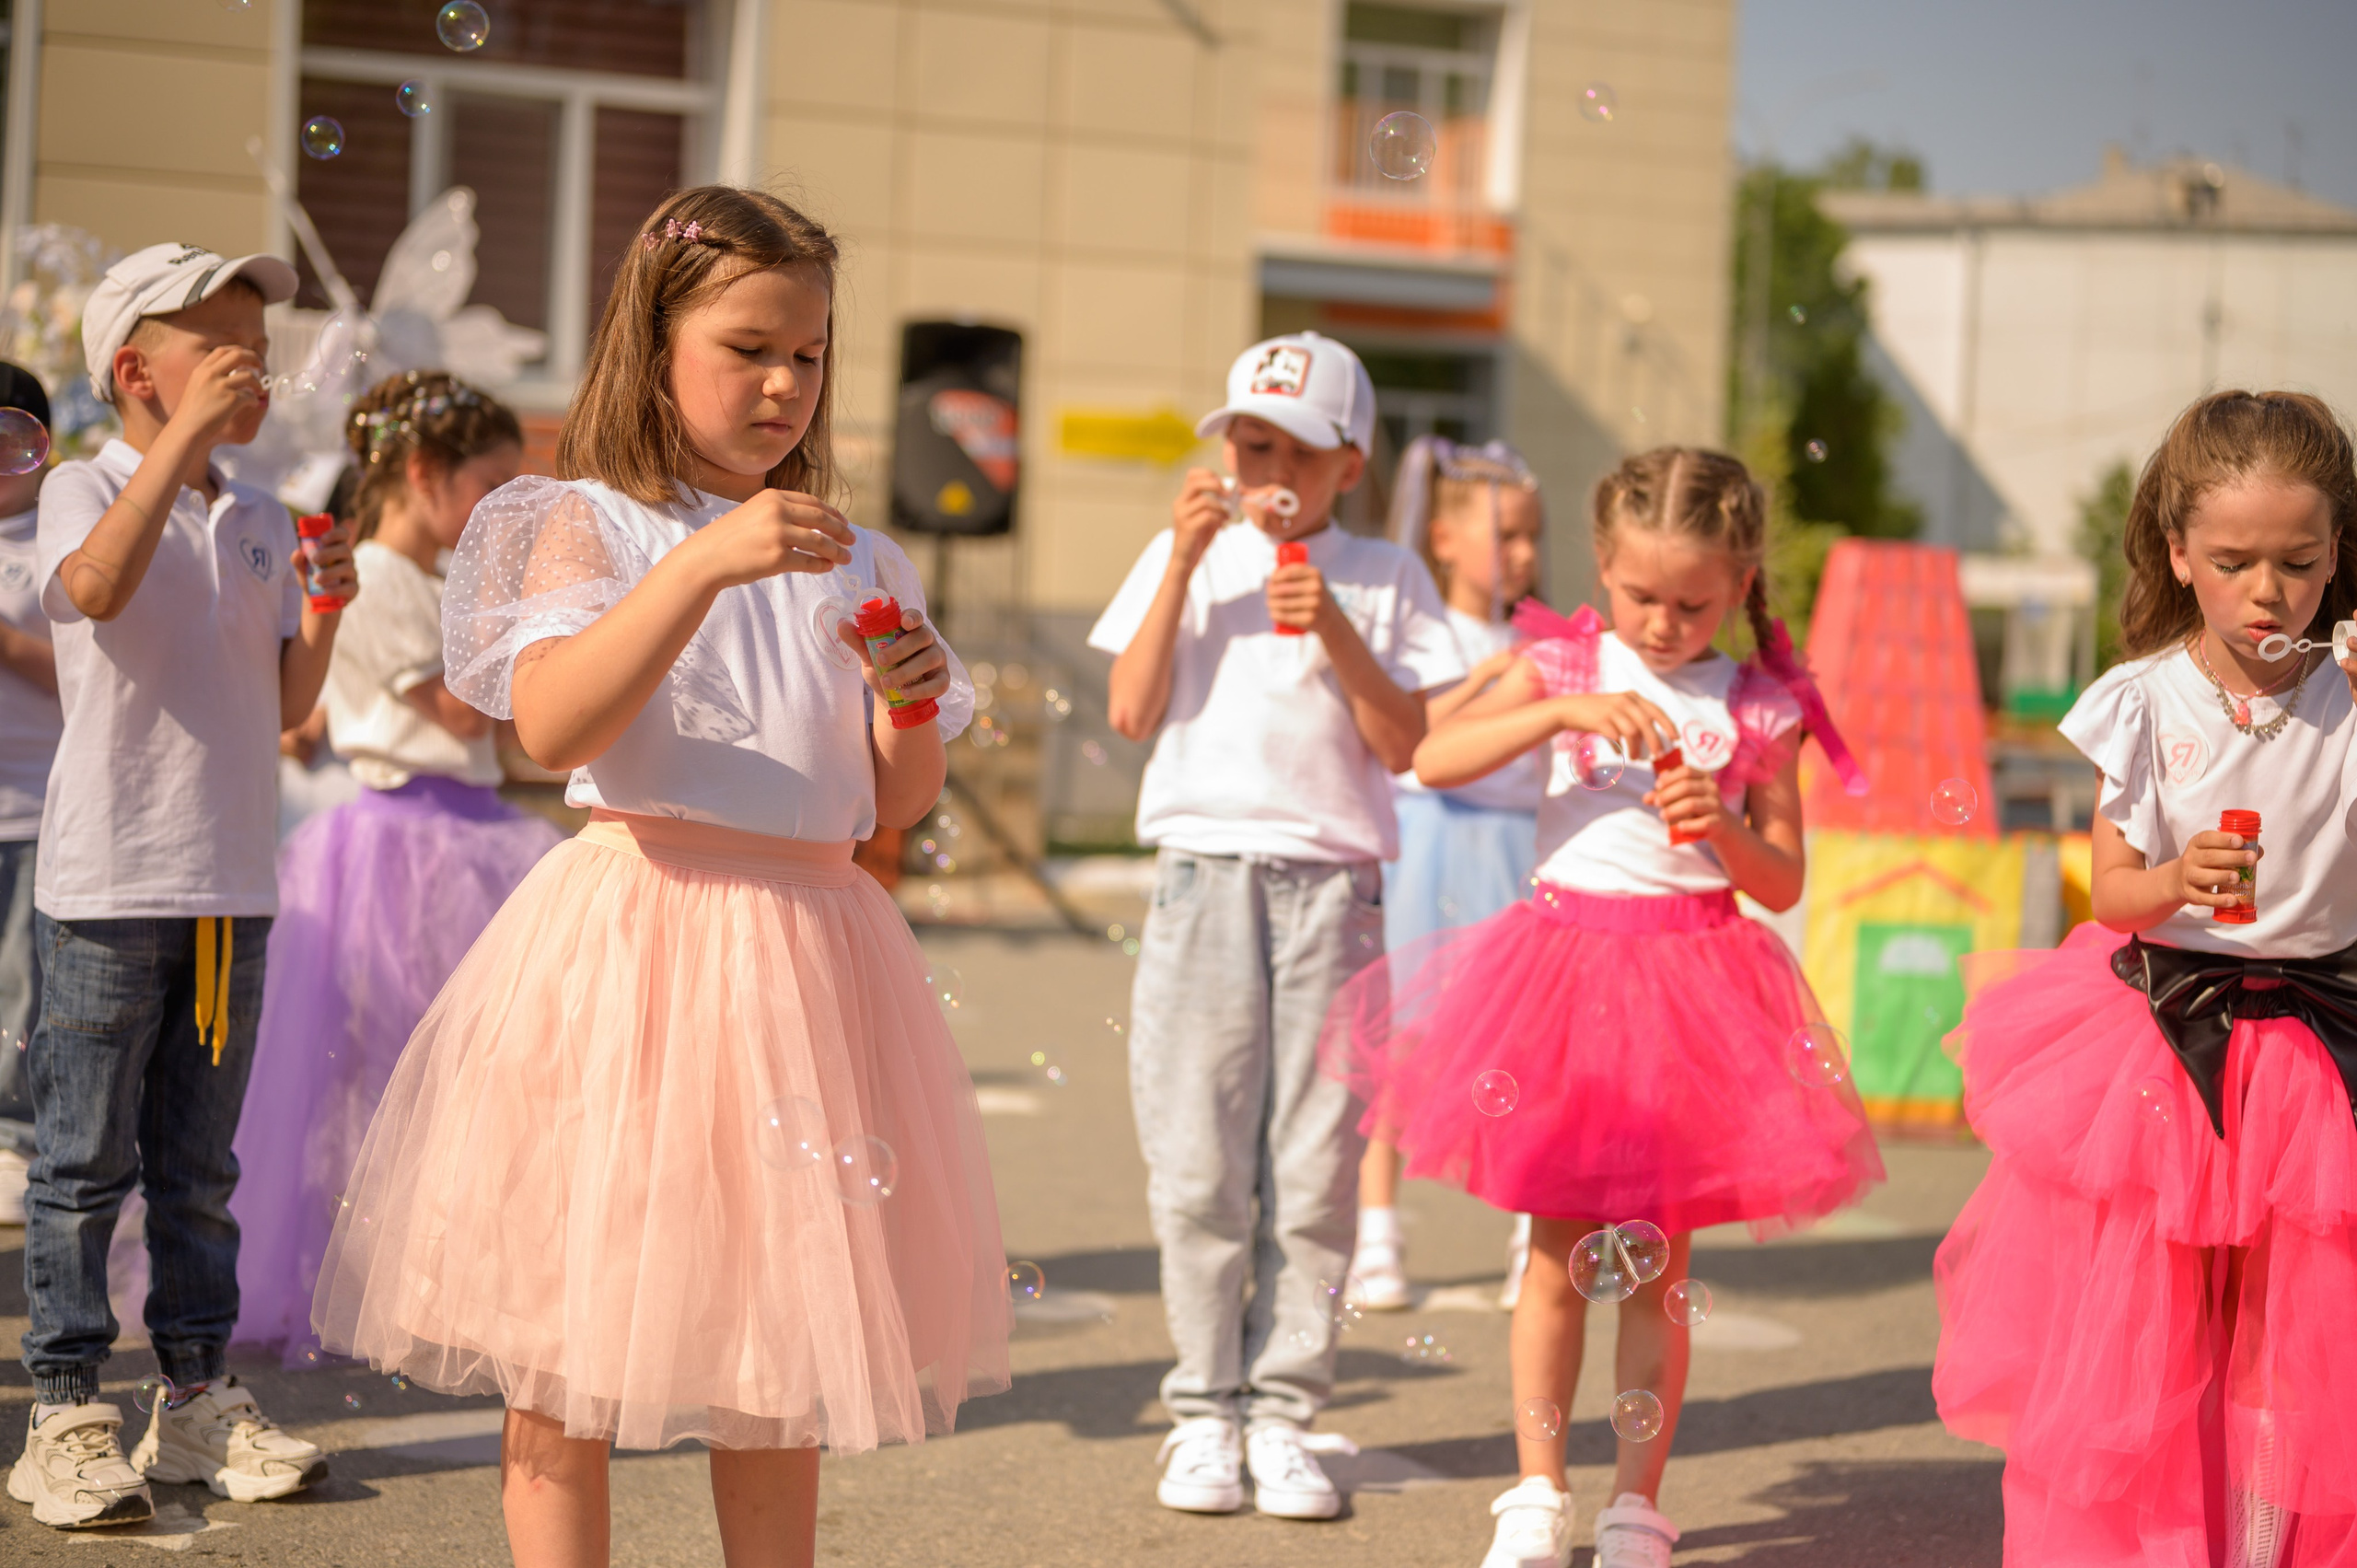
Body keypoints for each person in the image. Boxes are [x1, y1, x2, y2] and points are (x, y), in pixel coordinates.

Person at [312, 187, 1010, 1568]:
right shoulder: (586, 521)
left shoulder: (859, 552)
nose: (782, 382)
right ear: (655, 340)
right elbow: (554, 724)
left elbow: (898, 802)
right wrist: (700, 563)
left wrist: (907, 703)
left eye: (807, 355)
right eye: (748, 346)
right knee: (562, 1335)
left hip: (808, 947)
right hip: (635, 934)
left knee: (776, 1337)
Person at [1322, 447, 1885, 1568]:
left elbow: (1781, 879)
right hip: (1563, 977)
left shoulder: (1758, 704)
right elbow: (1432, 755)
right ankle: (1535, 1491)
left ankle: (1638, 1503)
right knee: (1550, 1254)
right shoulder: (1559, 661)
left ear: (1738, 585)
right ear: (1604, 570)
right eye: (1640, 596)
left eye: (1691, 601)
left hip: (1689, 990)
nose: (1663, 622)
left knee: (1654, 1268)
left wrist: (1715, 826)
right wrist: (1560, 703)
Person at [1933, 390, 2357, 1567]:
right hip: (2167, 1040)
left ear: (2336, 557)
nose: (2267, 591)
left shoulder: (2347, 694)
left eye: (2298, 561)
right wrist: (2174, 873)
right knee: (2154, 1333)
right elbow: (2109, 889)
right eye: (2231, 561)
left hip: (2320, 1049)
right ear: (2178, 552)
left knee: (2296, 1339)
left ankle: (2265, 1545)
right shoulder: (2141, 698)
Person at [1090, 331, 1466, 1521]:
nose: (1268, 472)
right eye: (1250, 444)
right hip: (1203, 874)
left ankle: (1286, 1409)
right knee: (1198, 1153)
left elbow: (1408, 744)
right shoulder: (1187, 555)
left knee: (1315, 1164)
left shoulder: (1388, 573)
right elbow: (1132, 704)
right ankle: (1203, 1407)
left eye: (1296, 452)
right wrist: (1183, 560)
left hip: (1333, 888)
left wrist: (1336, 628)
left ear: (1349, 462)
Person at [9, 243, 352, 1529]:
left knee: (198, 1170)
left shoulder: (258, 515)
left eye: (255, 346)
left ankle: (196, 1401)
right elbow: (88, 589)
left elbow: (282, 708)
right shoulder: (84, 483)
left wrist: (322, 606)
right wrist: (176, 447)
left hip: (229, 892)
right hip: (106, 884)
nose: (248, 369)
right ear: (132, 370)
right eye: (218, 347)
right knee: (82, 1164)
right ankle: (60, 1413)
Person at [230, 370, 561, 1358]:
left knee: (454, 1077)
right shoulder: (377, 572)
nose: (503, 512)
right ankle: (357, 1279)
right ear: (425, 474)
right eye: (492, 486)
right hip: (405, 844)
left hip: (464, 827)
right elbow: (466, 716)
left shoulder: (426, 580)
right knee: (372, 1072)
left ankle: (431, 1275)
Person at [1348, 436, 1548, 1313]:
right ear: (1442, 538)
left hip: (1514, 850)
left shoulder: (1546, 639)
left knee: (1527, 1055)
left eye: (1532, 538)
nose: (1524, 556)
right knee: (1406, 1046)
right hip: (1428, 847)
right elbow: (1404, 741)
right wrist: (1479, 683)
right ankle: (1377, 1233)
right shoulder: (1424, 634)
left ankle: (1531, 1237)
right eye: (1506, 538)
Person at [0, 363, 61, 1223]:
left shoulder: (61, 538)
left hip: (34, 806)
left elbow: (80, 675)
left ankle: (14, 1141)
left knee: (23, 987)